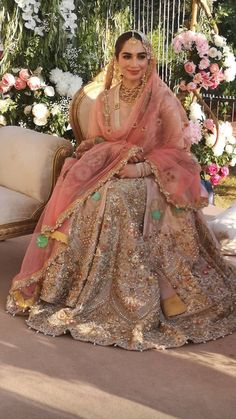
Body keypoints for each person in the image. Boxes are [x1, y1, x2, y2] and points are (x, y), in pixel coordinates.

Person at [6, 31, 236, 350]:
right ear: (116, 60)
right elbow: (102, 142)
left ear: (149, 59)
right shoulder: (105, 100)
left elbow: (177, 151)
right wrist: (95, 155)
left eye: (140, 56)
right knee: (91, 193)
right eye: (126, 56)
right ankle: (77, 289)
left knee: (116, 197)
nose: (134, 63)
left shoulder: (162, 99)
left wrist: (139, 167)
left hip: (153, 178)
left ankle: (152, 292)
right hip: (114, 170)